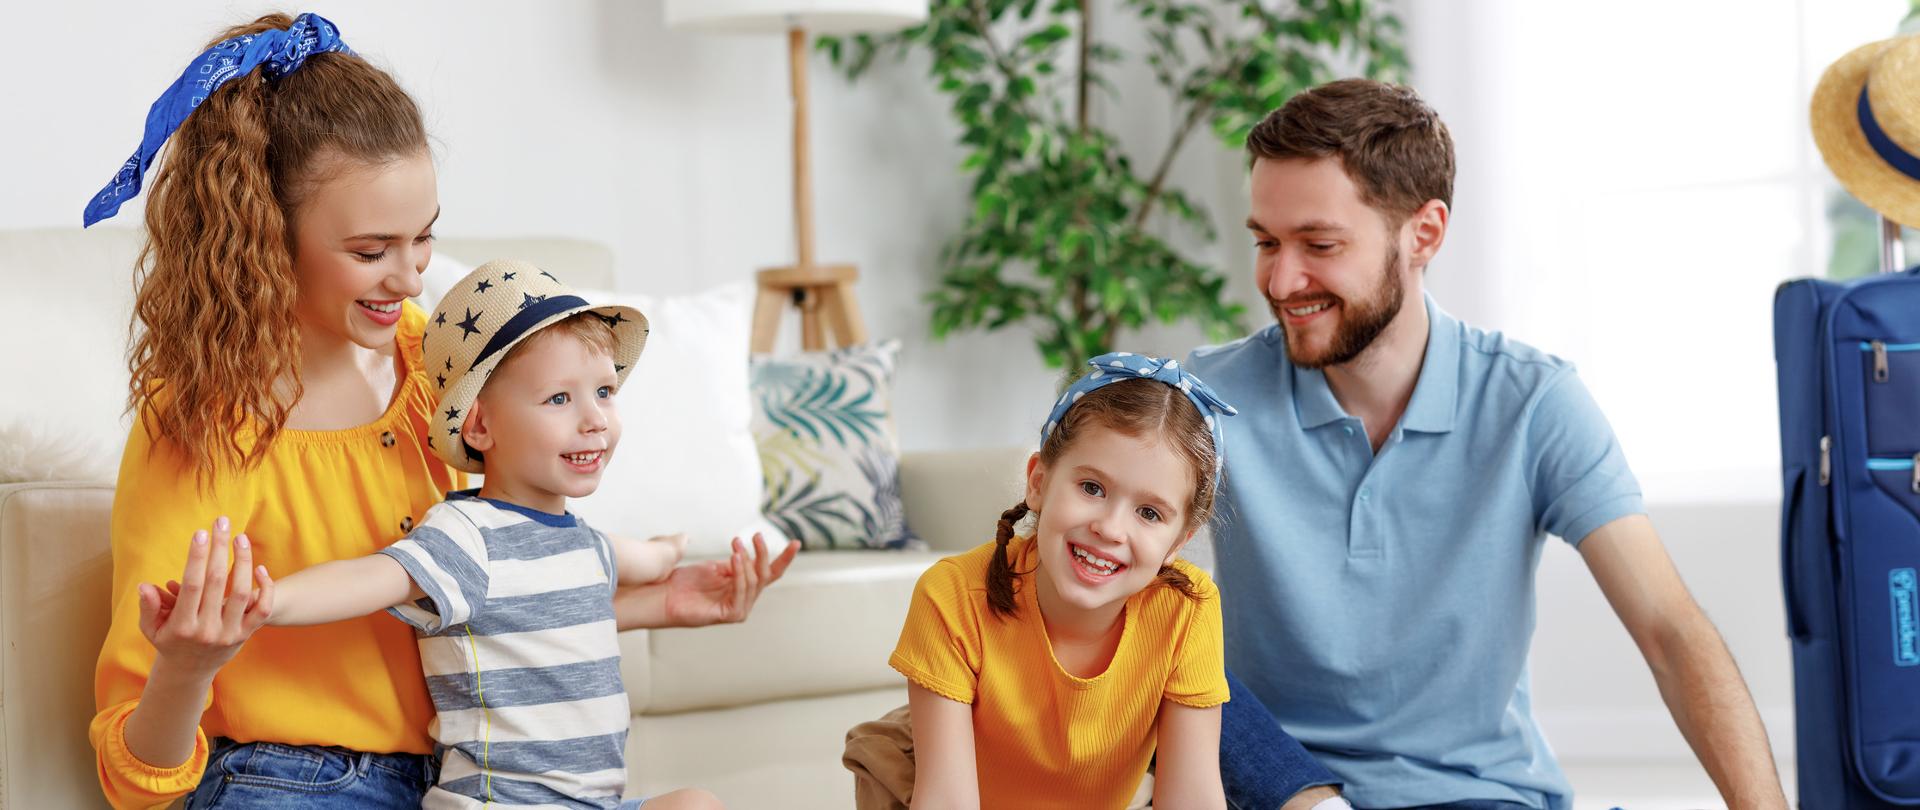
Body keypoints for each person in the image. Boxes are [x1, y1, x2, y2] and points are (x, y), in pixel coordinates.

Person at [88, 14, 795, 808]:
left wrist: (663, 603)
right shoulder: (202, 420)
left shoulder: (446, 368)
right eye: (371, 251)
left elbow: (490, 587)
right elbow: (136, 775)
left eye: (423, 238)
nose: (411, 277)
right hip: (283, 780)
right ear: (266, 235)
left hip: (469, 781)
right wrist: (187, 667)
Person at [1190, 78, 1787, 809]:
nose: (1281, 280)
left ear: (1424, 233)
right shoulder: (1205, 400)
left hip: (1477, 796)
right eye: (1265, 242)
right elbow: (1107, 608)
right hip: (1280, 797)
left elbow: (1670, 631)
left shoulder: (1531, 403)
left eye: (1320, 244)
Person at [139, 262, 722, 809]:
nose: (594, 419)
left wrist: (673, 551)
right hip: (503, 802)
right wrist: (269, 600)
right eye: (559, 399)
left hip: (594, 801)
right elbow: (373, 577)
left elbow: (636, 559)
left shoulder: (584, 544)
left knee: (699, 803)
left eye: (604, 392)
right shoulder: (469, 536)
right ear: (481, 425)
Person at [891, 353, 1238, 809]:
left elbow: (1193, 799)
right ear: (1038, 482)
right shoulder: (953, 595)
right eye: (1092, 488)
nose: (1110, 529)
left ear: (1178, 541)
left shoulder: (1186, 608)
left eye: (1149, 513)